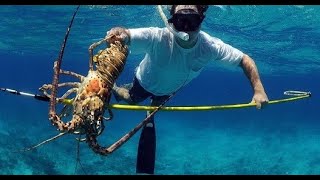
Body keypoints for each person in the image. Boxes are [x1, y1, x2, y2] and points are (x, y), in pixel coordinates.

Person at [106, 5, 269, 174]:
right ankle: (116, 89)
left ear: (201, 19)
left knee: (156, 104)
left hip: (169, 90)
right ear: (171, 21)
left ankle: (152, 106)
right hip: (144, 82)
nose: (186, 28)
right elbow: (127, 34)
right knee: (132, 99)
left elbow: (244, 59)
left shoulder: (209, 46)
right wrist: (120, 34)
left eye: (191, 20)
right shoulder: (157, 37)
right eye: (180, 20)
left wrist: (259, 90)